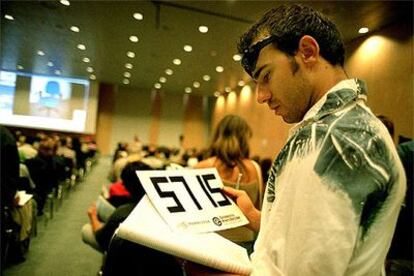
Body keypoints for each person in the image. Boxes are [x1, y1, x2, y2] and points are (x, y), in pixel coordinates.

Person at [186, 4, 406, 276]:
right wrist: (257, 218)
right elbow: (318, 243)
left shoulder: (336, 140)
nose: (261, 96)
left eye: (266, 76)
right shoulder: (350, 127)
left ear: (308, 52)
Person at [195, 115, 263, 254]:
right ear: (245, 138)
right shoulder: (255, 168)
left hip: (210, 242)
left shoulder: (202, 167)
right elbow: (257, 207)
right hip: (245, 244)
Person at [82, 161, 152, 252]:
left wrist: (93, 216)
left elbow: (101, 237)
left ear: (125, 186)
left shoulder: (123, 213)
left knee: (86, 229)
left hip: (127, 253)